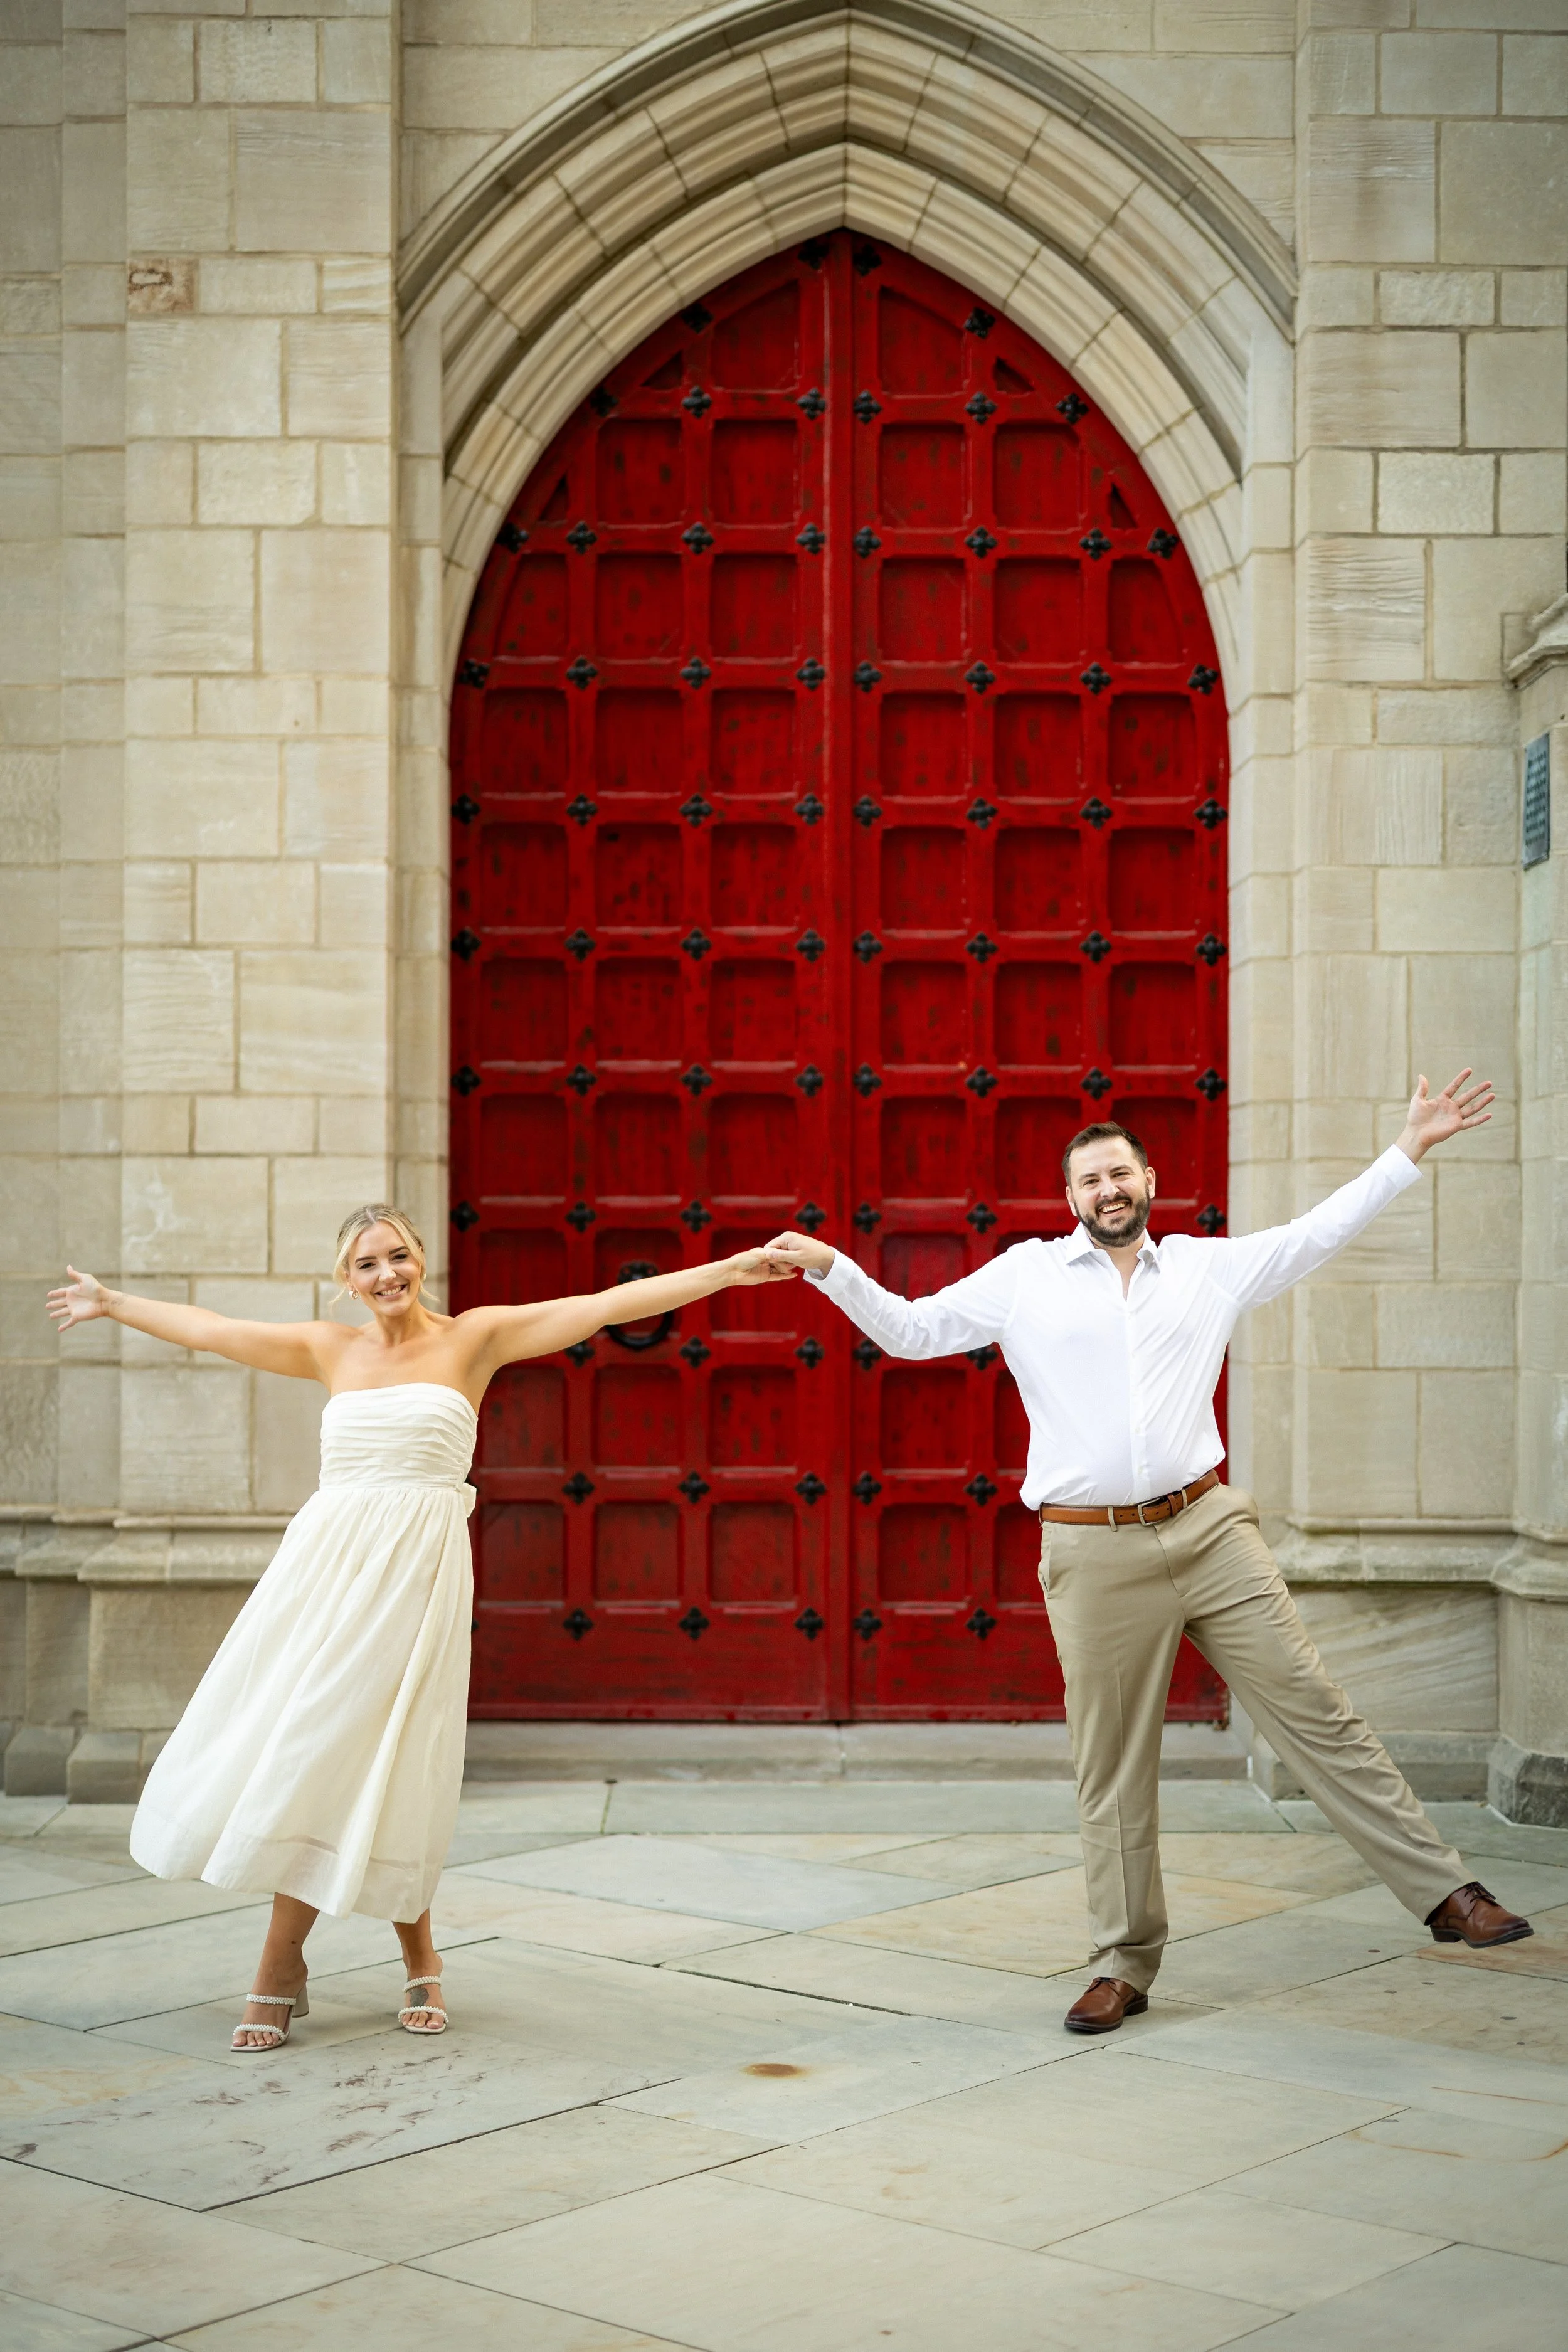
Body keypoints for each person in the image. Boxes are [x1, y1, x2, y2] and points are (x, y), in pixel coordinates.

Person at [763, 1071, 1532, 2033]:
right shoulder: (1025, 1277)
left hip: (1209, 1530)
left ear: (1149, 1180)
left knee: (1319, 1711)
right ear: (1071, 1198)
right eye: (1088, 1181)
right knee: (1113, 1765)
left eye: (1119, 1172)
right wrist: (833, 1266)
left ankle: (1447, 1892)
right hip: (1094, 1553)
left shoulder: (1208, 1268)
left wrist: (1408, 1147)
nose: (1107, 1190)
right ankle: (1122, 1961)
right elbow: (914, 1331)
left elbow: (1315, 1234)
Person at [48, 1211, 792, 2052]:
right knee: (322, 1750)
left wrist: (726, 1270)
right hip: (324, 1580)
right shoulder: (330, 1347)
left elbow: (607, 1305)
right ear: (346, 1277)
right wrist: (113, 1302)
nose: (387, 1272)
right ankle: (397, 1957)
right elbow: (216, 1331)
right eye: (367, 1262)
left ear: (421, 1259)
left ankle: (283, 1966)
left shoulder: (475, 1338)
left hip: (417, 1579)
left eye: (398, 1254)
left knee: (390, 1757)